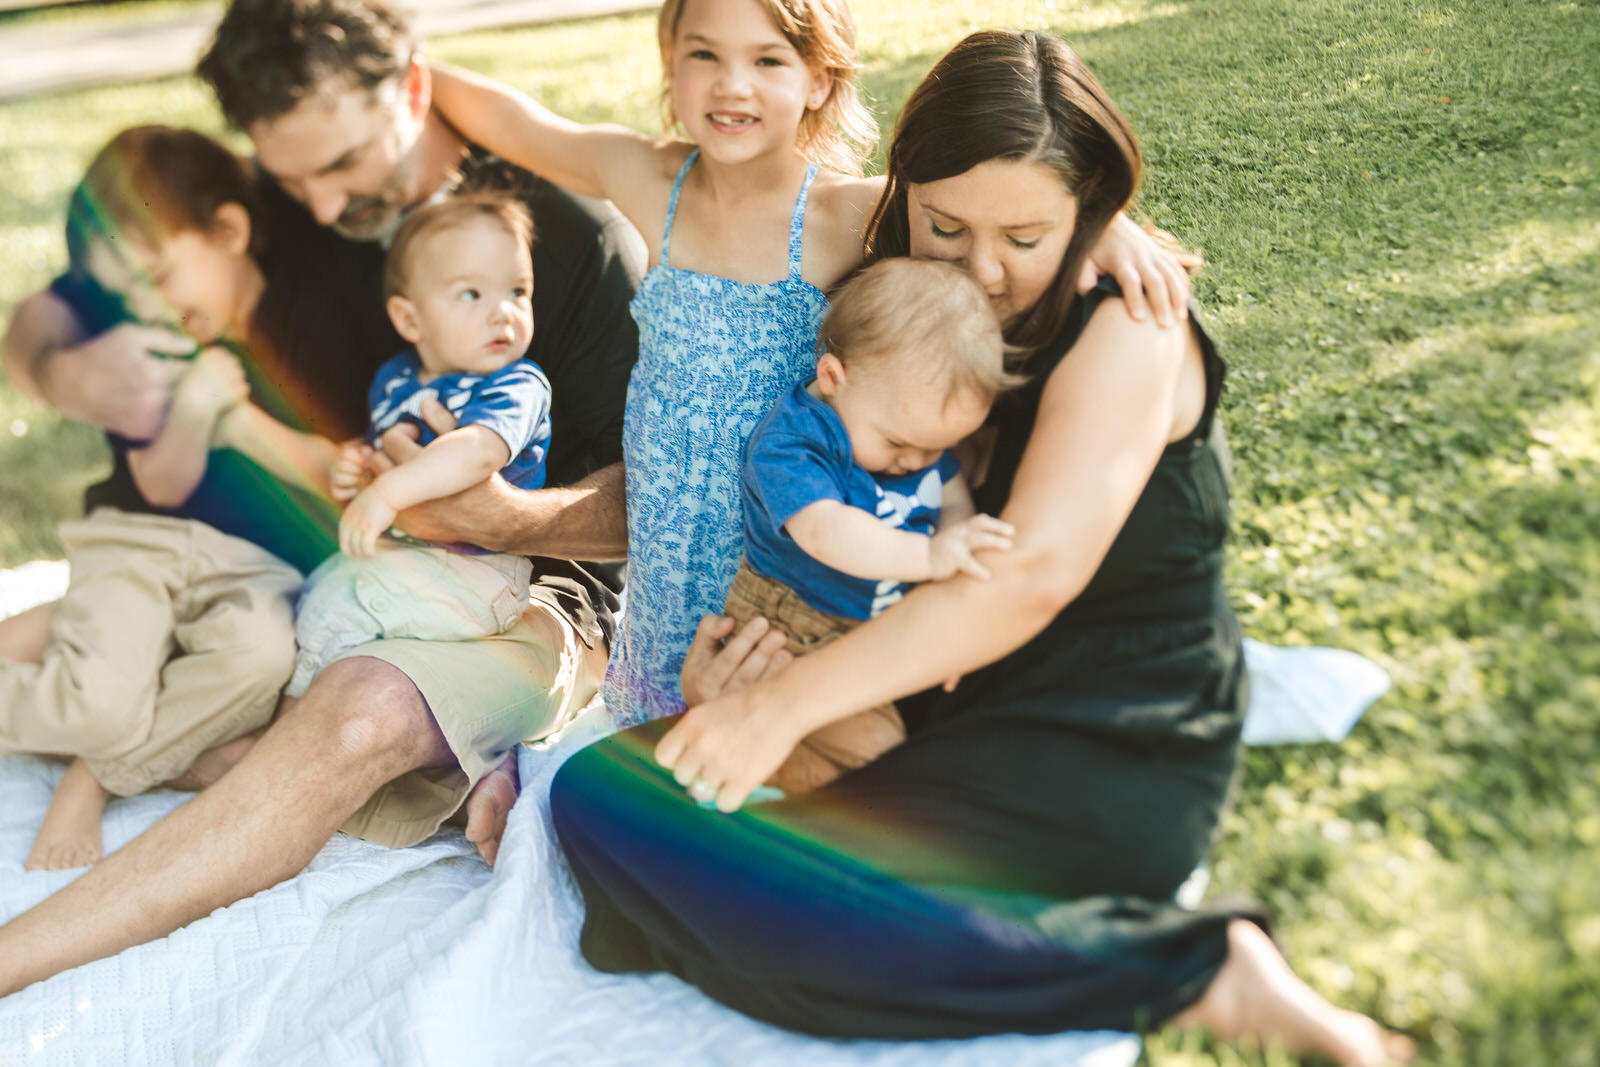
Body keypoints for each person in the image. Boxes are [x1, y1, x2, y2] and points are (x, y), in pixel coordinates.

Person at [549, 30, 1414, 1067]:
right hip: (928, 703)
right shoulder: (902, 303)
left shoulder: (1129, 326)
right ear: (903, 192)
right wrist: (747, 681)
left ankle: (1192, 971)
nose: (983, 269)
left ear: (1086, 217)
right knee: (599, 800)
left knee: (790, 908)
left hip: (1103, 730)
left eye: (1027, 235)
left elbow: (1028, 577)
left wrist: (781, 707)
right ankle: (867, 888)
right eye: (946, 223)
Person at [0, 0, 638, 998]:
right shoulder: (289, 196)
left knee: (356, 712)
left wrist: (502, 519)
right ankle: (258, 757)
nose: (321, 200)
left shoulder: (558, 244)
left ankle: (17, 955)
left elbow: (641, 505)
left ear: (413, 87)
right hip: (345, 565)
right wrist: (71, 375)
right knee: (157, 639)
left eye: (343, 165)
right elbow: (47, 311)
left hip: (529, 590)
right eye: (291, 174)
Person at [426, 0, 1187, 729]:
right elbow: (521, 124)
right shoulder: (647, 179)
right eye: (704, 55)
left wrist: (1101, 227)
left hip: (782, 546)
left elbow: (984, 194)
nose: (732, 84)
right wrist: (414, 68)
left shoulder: (843, 213)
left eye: (767, 59)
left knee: (746, 725)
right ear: (670, 60)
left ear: (820, 78)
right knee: (658, 718)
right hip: (665, 539)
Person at [0, 126, 335, 872]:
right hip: (144, 541)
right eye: (125, 293)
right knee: (99, 701)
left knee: (257, 658)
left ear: (230, 231)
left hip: (250, 571)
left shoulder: (308, 311)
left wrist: (238, 419)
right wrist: (191, 406)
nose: (147, 305)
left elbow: (338, 473)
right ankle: (93, 762)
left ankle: (96, 751)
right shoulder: (156, 343)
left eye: (157, 276)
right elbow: (159, 484)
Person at [723, 257, 1018, 795]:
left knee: (919, 749)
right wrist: (929, 558)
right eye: (900, 444)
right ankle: (749, 772)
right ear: (834, 377)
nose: (917, 462)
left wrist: (953, 588)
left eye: (936, 448)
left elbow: (955, 505)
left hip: (869, 622)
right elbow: (826, 532)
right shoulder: (793, 445)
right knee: (880, 763)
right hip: (794, 625)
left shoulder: (911, 429)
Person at [289, 194, 549, 700]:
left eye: (519, 291)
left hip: (480, 571)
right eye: (471, 294)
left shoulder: (515, 385)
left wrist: (386, 494)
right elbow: (382, 448)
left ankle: (288, 726)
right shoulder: (395, 379)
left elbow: (477, 452)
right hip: (415, 559)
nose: (504, 313)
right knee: (313, 600)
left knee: (337, 617)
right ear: (410, 321)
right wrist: (358, 467)